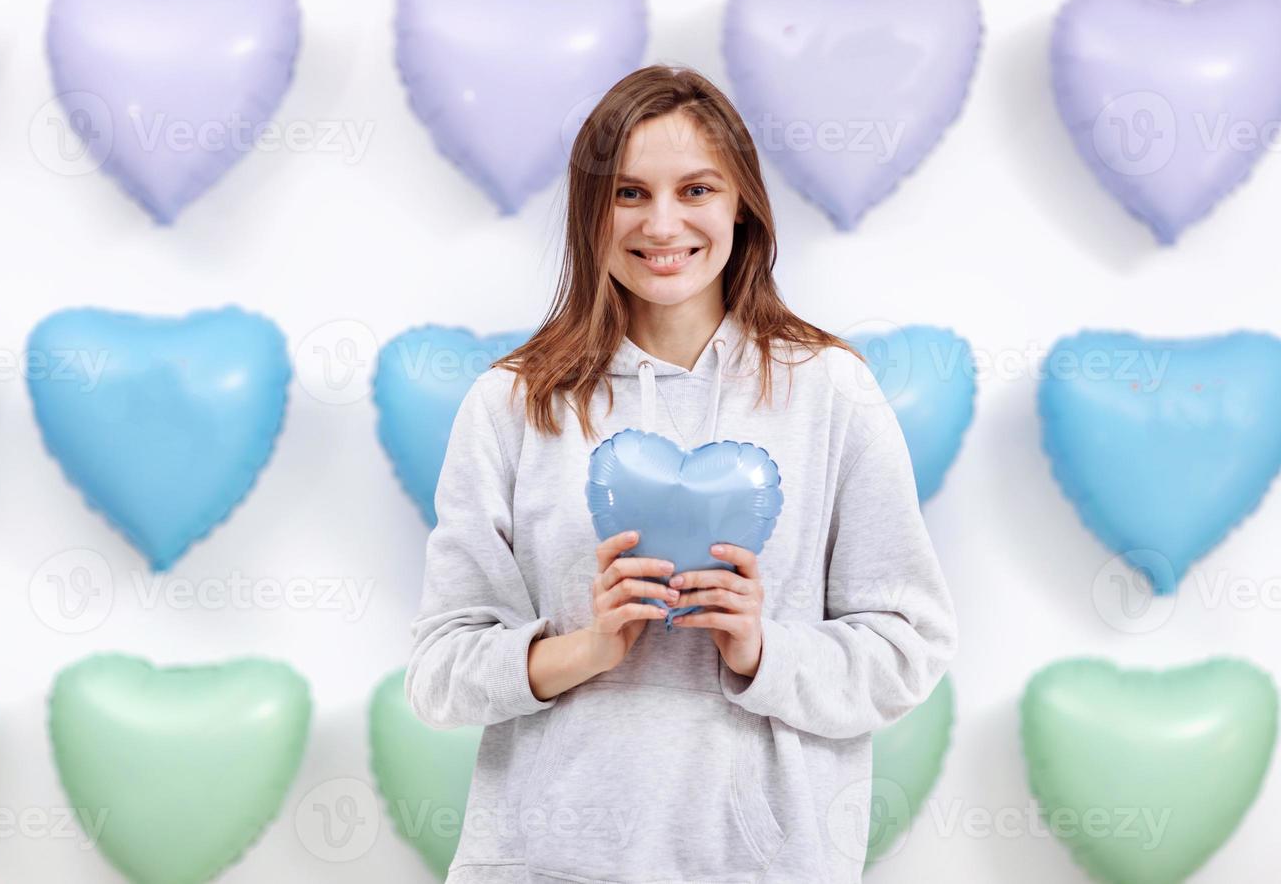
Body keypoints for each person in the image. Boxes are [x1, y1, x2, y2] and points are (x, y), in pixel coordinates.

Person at [406, 63, 957, 883]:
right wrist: (583, 648)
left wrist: (760, 649)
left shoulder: (830, 391)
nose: (662, 224)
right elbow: (440, 674)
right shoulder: (513, 404)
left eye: (695, 189)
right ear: (592, 212)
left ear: (743, 205)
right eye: (629, 193)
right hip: (545, 862)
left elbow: (908, 648)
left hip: (765, 862)